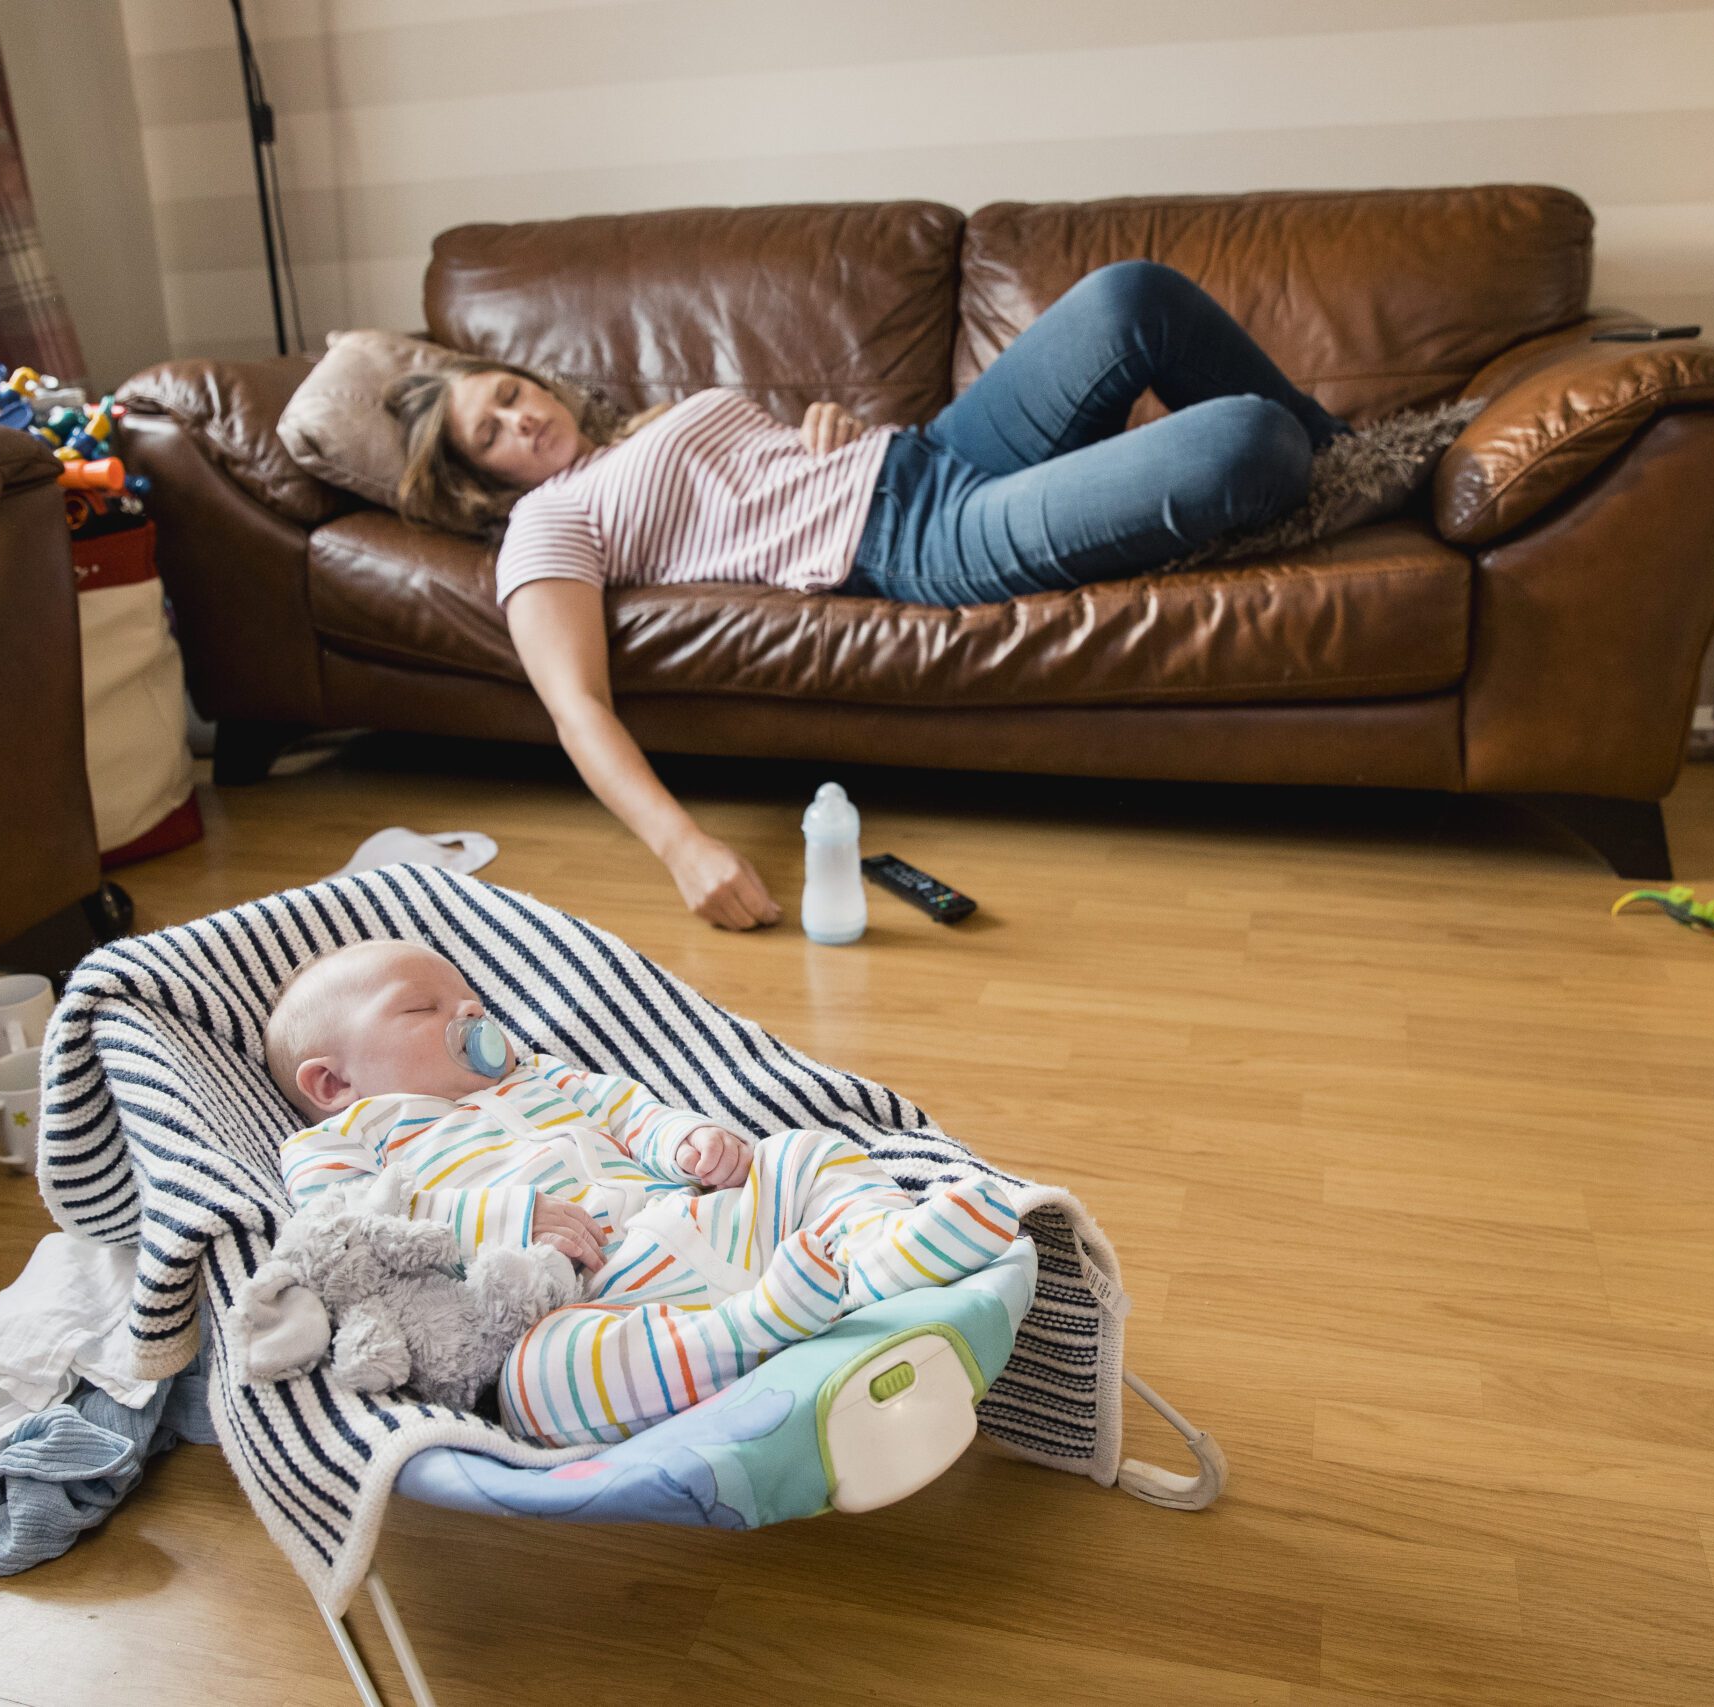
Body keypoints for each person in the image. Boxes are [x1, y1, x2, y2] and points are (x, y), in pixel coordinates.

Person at [386, 258, 1350, 930]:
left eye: (508, 392)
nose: (519, 417)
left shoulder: (638, 429)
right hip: (919, 539)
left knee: (1130, 296)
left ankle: (1356, 463)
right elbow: (576, 708)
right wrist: (684, 848)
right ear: (479, 481)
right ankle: (1323, 459)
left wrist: (827, 421)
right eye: (490, 432)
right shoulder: (548, 526)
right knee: (1244, 441)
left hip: (930, 447)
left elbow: (757, 469)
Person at [260, 939, 1022, 1447]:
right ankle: (751, 1330)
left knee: (803, 1154)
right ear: (333, 1081)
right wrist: (513, 1215)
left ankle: (877, 1256)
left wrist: (685, 1139)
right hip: (596, 1294)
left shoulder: (538, 1074)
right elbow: (350, 1228)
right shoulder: (340, 1139)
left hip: (699, 1218)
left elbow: (628, 1108)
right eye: (424, 1008)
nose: (469, 1013)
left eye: (471, 999)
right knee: (534, 1384)